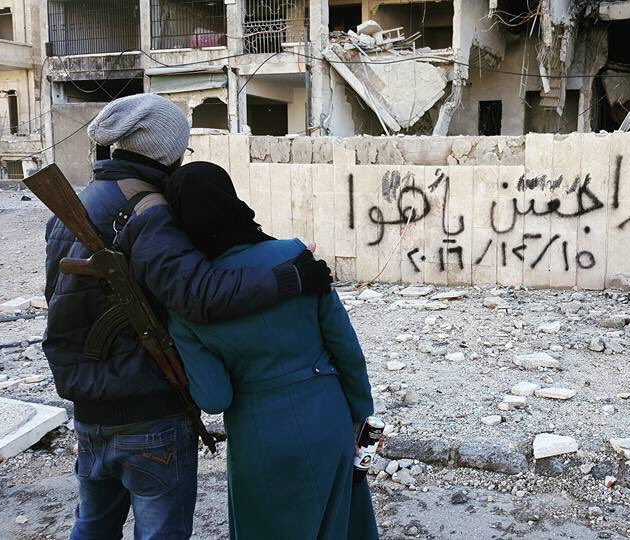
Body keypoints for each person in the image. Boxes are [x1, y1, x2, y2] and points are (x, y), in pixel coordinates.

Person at [42, 94, 333, 540]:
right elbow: (200, 294)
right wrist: (292, 277)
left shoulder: (76, 206)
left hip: (89, 409)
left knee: (93, 526)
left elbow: (57, 300)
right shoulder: (147, 210)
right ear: (168, 151)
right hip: (148, 408)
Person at [163, 161, 378, 540]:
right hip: (327, 418)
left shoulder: (189, 304)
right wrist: (361, 414)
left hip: (258, 438)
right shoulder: (295, 256)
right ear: (232, 200)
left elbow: (214, 398)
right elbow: (346, 347)